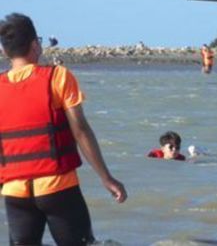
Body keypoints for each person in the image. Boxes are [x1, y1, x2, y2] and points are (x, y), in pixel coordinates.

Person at [0, 13, 127, 245]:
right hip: (57, 187)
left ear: (6, 51)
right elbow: (80, 130)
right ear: (35, 45)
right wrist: (106, 178)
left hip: (15, 192)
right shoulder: (57, 77)